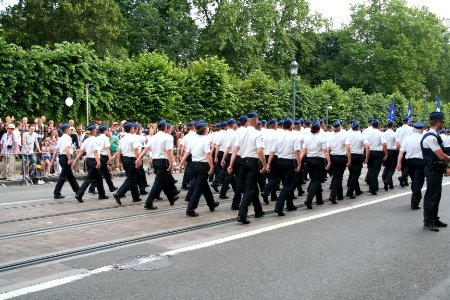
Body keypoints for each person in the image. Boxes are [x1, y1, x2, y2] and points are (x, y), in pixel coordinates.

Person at [228, 112, 266, 224]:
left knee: (252, 187)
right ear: (256, 120)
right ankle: (242, 214)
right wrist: (264, 165)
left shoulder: (241, 133)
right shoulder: (257, 133)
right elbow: (260, 151)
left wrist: (230, 165)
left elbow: (235, 150)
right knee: (249, 189)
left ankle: (258, 210)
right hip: (252, 162)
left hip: (242, 162)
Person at [178, 121, 219, 216]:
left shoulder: (192, 139)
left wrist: (181, 164)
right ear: (204, 130)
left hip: (193, 165)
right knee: (198, 188)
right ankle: (190, 209)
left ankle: (211, 204)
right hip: (202, 166)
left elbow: (187, 152)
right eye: (207, 128)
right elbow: (208, 155)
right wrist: (212, 166)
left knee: (204, 186)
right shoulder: (205, 140)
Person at [420, 112, 450, 232]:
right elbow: (440, 155)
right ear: (438, 122)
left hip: (437, 169)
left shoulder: (436, 136)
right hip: (432, 170)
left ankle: (434, 219)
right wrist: (448, 159)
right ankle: (428, 221)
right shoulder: (430, 137)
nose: (443, 124)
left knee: (436, 195)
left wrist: (446, 167)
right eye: (442, 121)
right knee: (431, 195)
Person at [140, 120, 179, 210]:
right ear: (165, 128)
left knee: (164, 181)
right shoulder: (168, 137)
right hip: (163, 161)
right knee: (158, 183)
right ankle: (148, 203)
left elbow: (146, 148)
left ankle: (171, 198)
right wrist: (172, 163)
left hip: (155, 162)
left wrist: (139, 158)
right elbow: (169, 151)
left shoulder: (153, 137)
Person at [266, 118, 301, 215]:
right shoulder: (293, 136)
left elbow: (272, 152)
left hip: (279, 162)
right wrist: (299, 164)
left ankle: (290, 205)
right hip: (289, 162)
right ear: (291, 126)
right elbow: (296, 152)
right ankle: (279, 206)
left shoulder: (278, 137)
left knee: (286, 184)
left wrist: (268, 164)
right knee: (287, 186)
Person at [300, 119, 331, 209]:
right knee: (317, 180)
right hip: (318, 160)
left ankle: (319, 199)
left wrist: (299, 161)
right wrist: (328, 161)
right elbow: (325, 151)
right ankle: (309, 200)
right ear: (319, 129)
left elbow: (303, 151)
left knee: (314, 179)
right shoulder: (322, 138)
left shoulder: (307, 138)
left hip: (309, 160)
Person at [73, 125, 108, 203]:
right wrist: (98, 162)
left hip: (89, 160)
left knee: (99, 178)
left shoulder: (86, 140)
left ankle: (102, 194)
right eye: (95, 130)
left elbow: (81, 152)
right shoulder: (95, 140)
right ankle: (79, 194)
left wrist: (75, 160)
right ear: (93, 131)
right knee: (89, 179)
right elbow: (95, 152)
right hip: (94, 160)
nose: (96, 131)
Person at [396, 122, 426, 210]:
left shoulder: (407, 139)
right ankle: (415, 203)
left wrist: (399, 163)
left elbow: (401, 152)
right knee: (418, 182)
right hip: (421, 162)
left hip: (409, 162)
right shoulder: (424, 138)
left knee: (414, 180)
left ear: (413, 129)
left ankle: (416, 196)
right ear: (423, 129)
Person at [113, 122, 142, 205]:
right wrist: (138, 160)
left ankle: (135, 197)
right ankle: (119, 193)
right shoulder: (133, 138)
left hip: (125, 159)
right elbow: (136, 150)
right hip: (131, 159)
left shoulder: (123, 138)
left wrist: (119, 161)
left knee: (132, 178)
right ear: (132, 129)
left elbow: (119, 151)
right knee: (131, 178)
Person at [52, 123, 80, 199]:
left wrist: (53, 159)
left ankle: (78, 190)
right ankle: (56, 192)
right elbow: (67, 149)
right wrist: (69, 159)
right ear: (67, 130)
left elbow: (56, 150)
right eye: (70, 129)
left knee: (70, 176)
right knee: (63, 176)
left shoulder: (60, 138)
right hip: (65, 157)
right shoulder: (67, 138)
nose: (70, 131)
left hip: (61, 157)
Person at [327, 120, 351, 203]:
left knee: (336, 176)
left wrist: (328, 160)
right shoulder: (344, 135)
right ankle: (333, 194)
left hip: (332, 157)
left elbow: (328, 149)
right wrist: (349, 159)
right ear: (340, 126)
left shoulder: (330, 136)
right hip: (341, 157)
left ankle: (339, 195)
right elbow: (347, 148)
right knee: (338, 177)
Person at [346, 121, 370, 199]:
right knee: (355, 175)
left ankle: (357, 190)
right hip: (358, 156)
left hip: (349, 155)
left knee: (352, 173)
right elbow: (367, 146)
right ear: (358, 127)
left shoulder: (347, 135)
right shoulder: (361, 136)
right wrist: (366, 157)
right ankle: (350, 191)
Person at [365, 120, 387, 195]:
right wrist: (386, 154)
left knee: (370, 169)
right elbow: (384, 144)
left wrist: (366, 156)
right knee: (376, 171)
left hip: (370, 152)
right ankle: (373, 187)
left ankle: (372, 186)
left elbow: (366, 145)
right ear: (378, 126)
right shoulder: (380, 134)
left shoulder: (368, 134)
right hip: (378, 153)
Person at [97, 125, 118, 192]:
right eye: (107, 130)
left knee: (105, 173)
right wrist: (110, 158)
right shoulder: (105, 138)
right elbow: (107, 149)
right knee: (101, 173)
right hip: (103, 156)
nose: (107, 132)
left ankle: (111, 187)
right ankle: (92, 187)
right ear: (104, 131)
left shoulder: (97, 138)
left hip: (99, 156)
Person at [395, 116, 413, 187]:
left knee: (402, 165)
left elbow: (397, 141)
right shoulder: (411, 129)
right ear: (408, 121)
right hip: (408, 149)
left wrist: (399, 149)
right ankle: (403, 178)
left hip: (401, 149)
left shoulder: (398, 129)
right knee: (408, 165)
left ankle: (404, 180)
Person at [381, 121, 397, 191]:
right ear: (392, 126)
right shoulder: (394, 134)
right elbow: (398, 144)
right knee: (392, 168)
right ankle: (387, 179)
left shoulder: (383, 134)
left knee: (387, 166)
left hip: (385, 151)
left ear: (387, 126)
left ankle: (386, 179)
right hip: (392, 151)